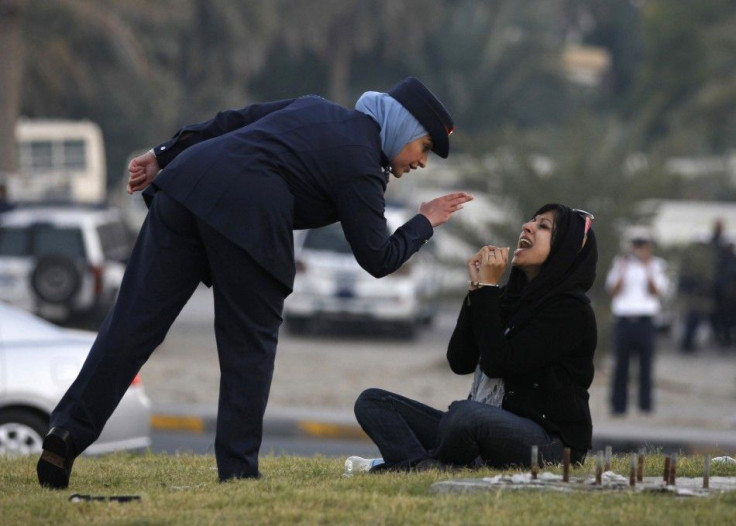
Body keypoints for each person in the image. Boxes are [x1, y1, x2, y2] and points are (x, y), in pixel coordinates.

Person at [37, 77, 474, 488]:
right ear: (402, 127)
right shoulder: (361, 166)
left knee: (131, 323)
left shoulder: (314, 108)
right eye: (424, 146)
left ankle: (67, 433)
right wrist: (424, 221)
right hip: (249, 214)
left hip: (187, 183)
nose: (420, 161)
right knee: (249, 348)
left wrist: (164, 153)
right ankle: (238, 472)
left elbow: (235, 120)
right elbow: (378, 259)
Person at [346, 204, 597, 473]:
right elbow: (460, 360)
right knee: (373, 402)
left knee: (464, 417)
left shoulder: (571, 310)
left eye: (543, 226)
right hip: (483, 428)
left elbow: (498, 363)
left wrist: (486, 291)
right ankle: (421, 466)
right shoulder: (506, 299)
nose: (527, 226)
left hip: (548, 444)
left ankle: (409, 465)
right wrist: (477, 288)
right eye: (531, 220)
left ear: (565, 249)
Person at [605, 229, 669, 415]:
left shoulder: (657, 265)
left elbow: (656, 291)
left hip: (645, 320)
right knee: (621, 365)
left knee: (645, 365)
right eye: (636, 244)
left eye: (642, 245)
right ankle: (618, 406)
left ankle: (645, 405)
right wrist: (624, 268)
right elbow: (614, 290)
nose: (638, 249)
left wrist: (647, 266)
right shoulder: (620, 263)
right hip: (624, 319)